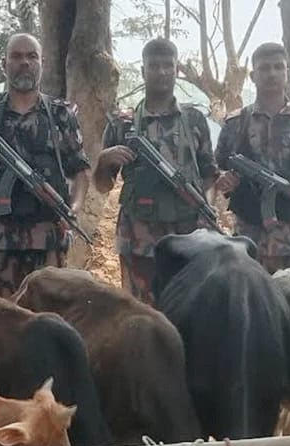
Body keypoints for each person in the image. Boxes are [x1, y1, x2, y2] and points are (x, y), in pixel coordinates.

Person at [0, 33, 91, 299]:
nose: (25, 63)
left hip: (49, 240)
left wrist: (72, 211)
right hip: (2, 243)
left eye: (32, 56)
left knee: (49, 316)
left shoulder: (61, 114)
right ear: (4, 64)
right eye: (16, 56)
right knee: (5, 318)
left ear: (42, 63)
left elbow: (81, 171)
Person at [93, 38, 218, 303]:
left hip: (187, 239)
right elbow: (103, 186)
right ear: (143, 71)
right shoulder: (122, 124)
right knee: (140, 316)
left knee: (186, 311)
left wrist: (205, 208)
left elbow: (209, 174)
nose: (161, 72)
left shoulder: (194, 120)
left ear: (177, 70)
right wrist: (104, 161)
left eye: (167, 65)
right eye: (154, 66)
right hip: (138, 242)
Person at [213, 42, 290, 273]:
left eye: (279, 67)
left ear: (288, 72)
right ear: (252, 76)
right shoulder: (236, 122)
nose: (272, 73)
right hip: (246, 239)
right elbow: (216, 166)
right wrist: (225, 179)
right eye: (265, 68)